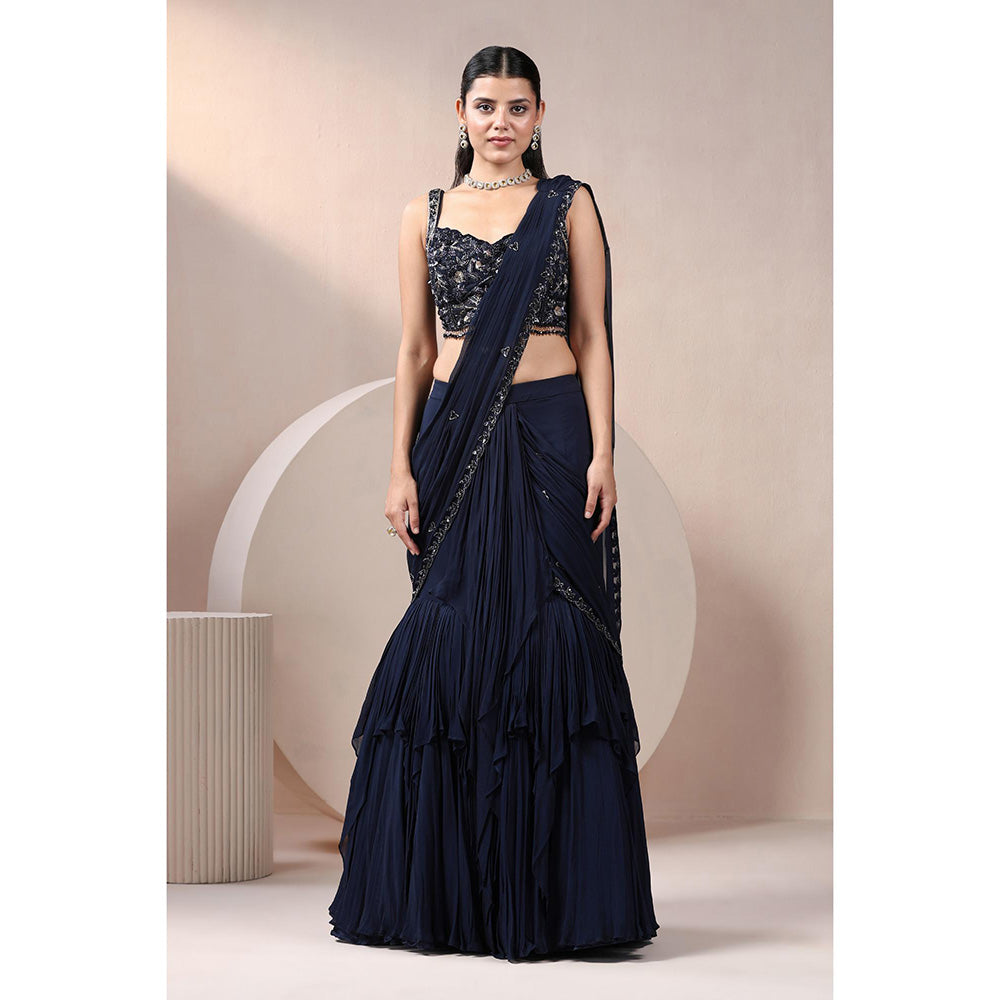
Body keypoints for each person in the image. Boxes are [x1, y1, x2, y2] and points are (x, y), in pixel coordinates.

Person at [327, 45, 659, 961]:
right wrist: (399, 466)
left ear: (540, 116)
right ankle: (444, 899)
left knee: (558, 630)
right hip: (453, 437)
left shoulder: (569, 205)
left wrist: (602, 451)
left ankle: (561, 901)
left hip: (553, 432)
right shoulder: (423, 214)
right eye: (486, 106)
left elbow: (591, 333)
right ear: (461, 114)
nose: (501, 122)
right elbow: (413, 350)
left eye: (518, 107)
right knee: (450, 629)